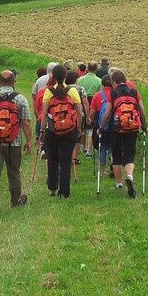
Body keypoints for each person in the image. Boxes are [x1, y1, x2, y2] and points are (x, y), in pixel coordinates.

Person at [0, 70, 32, 217]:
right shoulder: (20, 99)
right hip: (14, 143)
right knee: (14, 173)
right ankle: (15, 201)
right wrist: (29, 141)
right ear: (14, 81)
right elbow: (26, 123)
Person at [100, 69, 148, 198]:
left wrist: (101, 127)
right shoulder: (134, 92)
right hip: (132, 127)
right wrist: (144, 126)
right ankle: (130, 176)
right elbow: (142, 111)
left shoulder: (113, 93)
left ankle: (119, 184)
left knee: (116, 156)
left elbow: (107, 113)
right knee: (129, 155)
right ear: (125, 80)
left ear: (113, 82)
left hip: (116, 128)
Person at [41, 64, 84, 199]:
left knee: (52, 159)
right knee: (66, 161)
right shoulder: (72, 91)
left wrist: (42, 130)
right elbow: (79, 113)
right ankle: (64, 192)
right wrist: (78, 128)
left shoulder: (48, 92)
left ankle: (52, 188)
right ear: (66, 76)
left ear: (52, 76)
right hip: (69, 130)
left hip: (52, 130)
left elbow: (44, 114)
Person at [89, 75, 114, 177]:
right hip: (113, 124)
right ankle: (113, 161)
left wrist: (91, 121)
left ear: (102, 83)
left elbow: (92, 112)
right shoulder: (115, 94)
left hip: (101, 125)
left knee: (102, 146)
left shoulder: (97, 95)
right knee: (112, 146)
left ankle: (103, 171)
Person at [65, 70, 89, 166]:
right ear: (75, 79)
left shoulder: (64, 88)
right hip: (79, 114)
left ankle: (68, 155)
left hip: (66, 115)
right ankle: (74, 157)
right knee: (78, 136)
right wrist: (87, 116)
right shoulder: (80, 89)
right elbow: (85, 103)